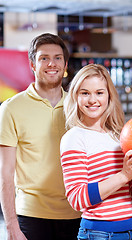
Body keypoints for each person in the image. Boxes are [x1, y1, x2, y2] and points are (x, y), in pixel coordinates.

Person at [60, 63, 132, 240]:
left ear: (109, 96)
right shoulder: (74, 138)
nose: (92, 100)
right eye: (85, 93)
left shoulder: (119, 136)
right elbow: (77, 199)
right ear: (75, 96)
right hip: (99, 234)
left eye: (99, 93)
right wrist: (123, 175)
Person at [0, 33, 81, 240]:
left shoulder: (79, 107)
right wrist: (11, 226)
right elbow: (5, 173)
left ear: (65, 65)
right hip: (30, 215)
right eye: (43, 58)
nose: (51, 64)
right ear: (32, 65)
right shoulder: (11, 108)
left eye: (57, 58)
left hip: (77, 213)